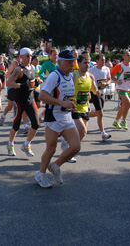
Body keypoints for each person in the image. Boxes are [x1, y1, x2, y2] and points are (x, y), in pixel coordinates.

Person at [36, 49, 80, 188]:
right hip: (53, 115)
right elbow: (42, 96)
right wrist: (61, 103)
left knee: (75, 147)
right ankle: (41, 175)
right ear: (60, 62)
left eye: (73, 61)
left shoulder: (72, 76)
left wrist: (70, 103)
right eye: (68, 62)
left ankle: (55, 165)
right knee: (51, 148)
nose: (71, 64)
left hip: (66, 115)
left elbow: (65, 95)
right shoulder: (55, 76)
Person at [5, 48, 39, 158]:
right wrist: (21, 86)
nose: (30, 58)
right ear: (21, 57)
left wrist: (36, 82)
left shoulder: (33, 68)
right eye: (27, 56)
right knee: (16, 126)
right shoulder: (19, 69)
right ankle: (10, 144)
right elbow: (9, 82)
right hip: (19, 101)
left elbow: (31, 83)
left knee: (36, 124)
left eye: (30, 56)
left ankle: (26, 144)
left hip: (30, 100)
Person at [71, 53, 100, 147]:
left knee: (83, 133)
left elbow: (94, 90)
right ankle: (70, 148)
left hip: (85, 108)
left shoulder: (90, 77)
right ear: (79, 63)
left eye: (88, 63)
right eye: (85, 63)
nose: (87, 65)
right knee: (82, 131)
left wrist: (97, 92)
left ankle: (70, 147)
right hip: (74, 108)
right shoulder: (73, 76)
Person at [111, 50, 130, 130]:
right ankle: (123, 121)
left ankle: (116, 121)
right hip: (121, 88)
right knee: (128, 104)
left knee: (124, 106)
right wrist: (116, 80)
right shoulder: (120, 66)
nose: (129, 57)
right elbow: (111, 74)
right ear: (123, 57)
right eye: (128, 55)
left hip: (128, 88)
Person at [88, 53, 112, 141]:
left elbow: (109, 79)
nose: (104, 61)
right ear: (97, 61)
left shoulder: (106, 69)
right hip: (95, 93)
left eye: (104, 60)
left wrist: (106, 84)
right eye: (102, 60)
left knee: (97, 113)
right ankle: (103, 133)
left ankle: (82, 115)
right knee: (100, 113)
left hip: (103, 93)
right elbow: (87, 80)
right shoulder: (92, 70)